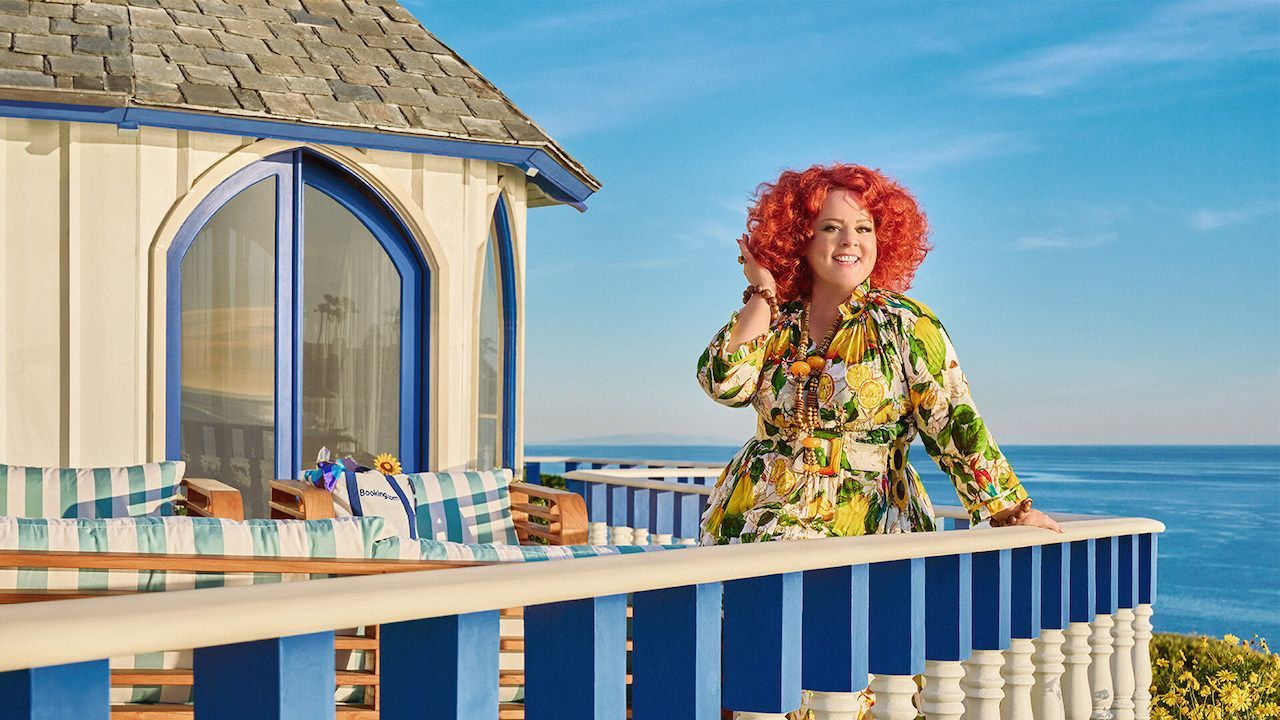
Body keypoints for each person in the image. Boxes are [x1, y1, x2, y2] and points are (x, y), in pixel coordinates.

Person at [695, 163, 1061, 719]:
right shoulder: (775, 320)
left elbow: (955, 423)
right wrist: (762, 291)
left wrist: (1010, 509)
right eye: (830, 227)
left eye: (864, 228)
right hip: (757, 529)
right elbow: (725, 381)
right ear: (799, 236)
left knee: (850, 689)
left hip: (868, 526)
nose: (849, 242)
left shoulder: (907, 327)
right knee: (758, 689)